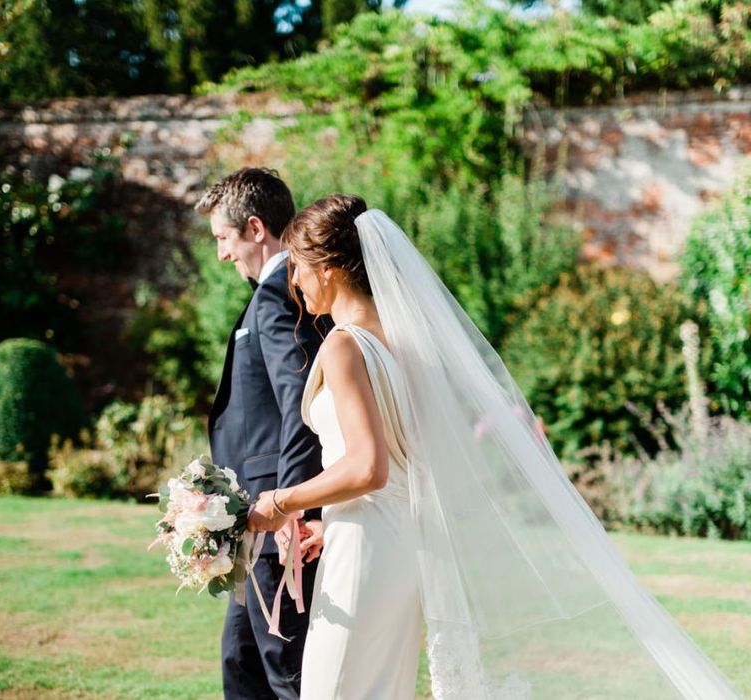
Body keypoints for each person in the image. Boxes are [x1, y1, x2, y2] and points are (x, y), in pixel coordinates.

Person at [248, 194, 742, 700]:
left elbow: (369, 467)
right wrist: (331, 524)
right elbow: (405, 466)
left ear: (328, 267)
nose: (296, 283)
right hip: (392, 547)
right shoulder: (403, 343)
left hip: (368, 552)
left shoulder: (343, 344)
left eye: (300, 268)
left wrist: (281, 502)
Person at [194, 168, 329, 700]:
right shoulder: (278, 292)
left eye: (223, 239)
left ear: (254, 228)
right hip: (257, 519)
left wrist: (291, 510)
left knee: (283, 672)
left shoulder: (279, 295)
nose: (222, 255)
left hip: (277, 522)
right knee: (243, 663)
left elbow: (302, 408)